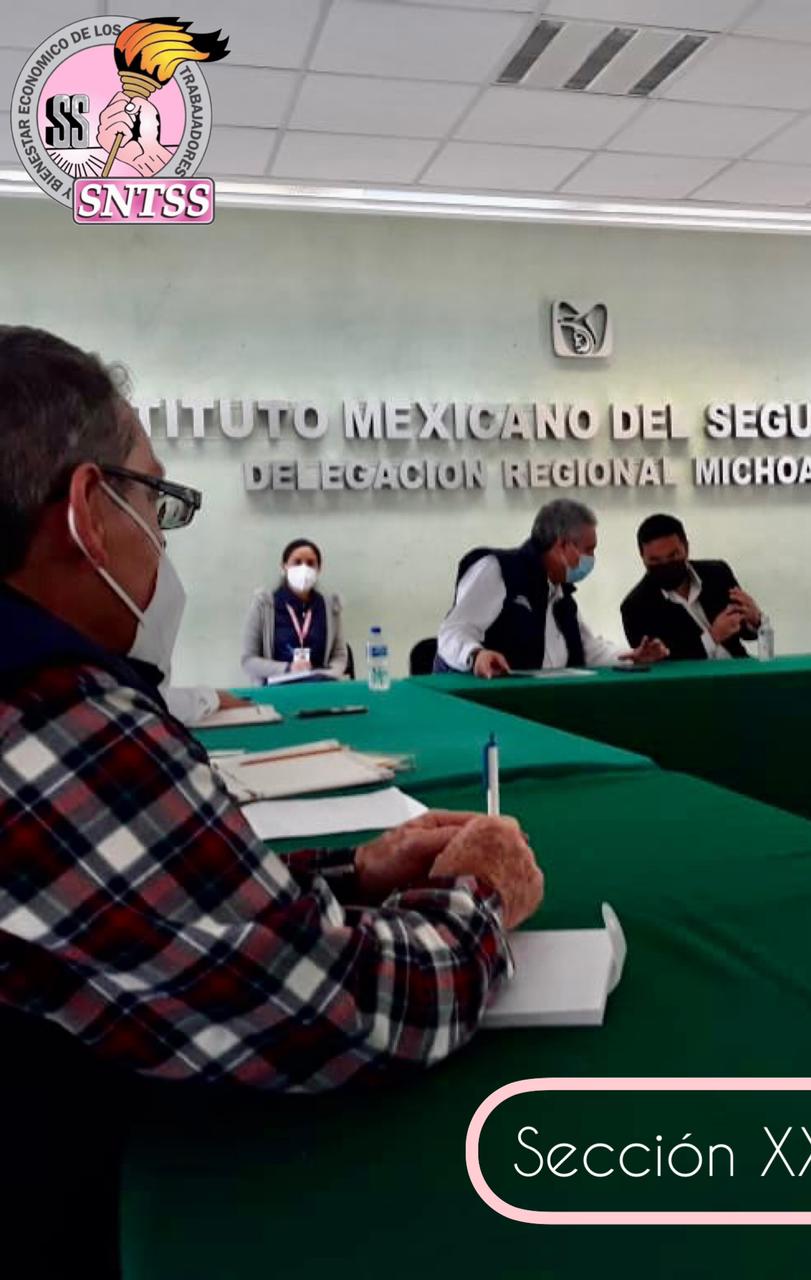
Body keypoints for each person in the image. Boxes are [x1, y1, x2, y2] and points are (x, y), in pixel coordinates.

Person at [0, 325, 544, 1091]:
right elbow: (344, 1008)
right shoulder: (57, 720)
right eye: (156, 500)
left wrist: (353, 871)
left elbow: (154, 907)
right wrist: (482, 892)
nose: (161, 540)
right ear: (90, 510)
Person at [436, 498, 669, 677]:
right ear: (562, 546)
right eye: (589, 550)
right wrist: (476, 655)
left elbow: (588, 649)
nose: (592, 558)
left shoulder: (560, 594)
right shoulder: (498, 570)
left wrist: (633, 655)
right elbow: (453, 631)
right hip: (478, 703)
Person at [620, 513, 762, 661]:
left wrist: (755, 620)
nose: (665, 564)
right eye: (655, 560)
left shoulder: (717, 573)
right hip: (693, 676)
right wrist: (712, 637)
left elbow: (746, 632)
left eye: (673, 556)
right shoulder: (635, 607)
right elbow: (662, 663)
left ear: (686, 548)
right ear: (642, 557)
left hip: (739, 668)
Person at [241, 538, 350, 683]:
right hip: (277, 689)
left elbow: (340, 654)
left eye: (310, 563)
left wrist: (328, 674)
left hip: (320, 686)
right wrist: (288, 668)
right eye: (297, 562)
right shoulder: (264, 605)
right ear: (284, 566)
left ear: (319, 569)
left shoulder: (330, 606)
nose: (304, 568)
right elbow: (248, 661)